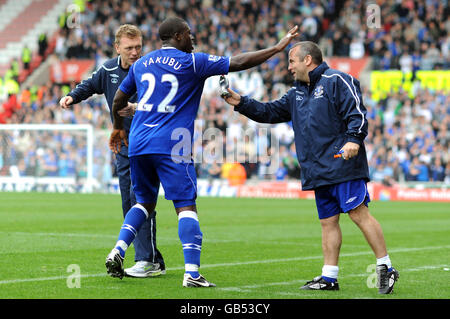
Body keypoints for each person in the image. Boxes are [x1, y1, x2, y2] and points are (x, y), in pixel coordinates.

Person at [106, 16, 299, 287]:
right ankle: (192, 273)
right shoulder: (193, 62)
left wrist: (117, 127)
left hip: (139, 141)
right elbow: (239, 62)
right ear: (179, 35)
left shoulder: (142, 63)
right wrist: (277, 48)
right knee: (185, 206)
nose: (193, 38)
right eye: (189, 34)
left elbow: (118, 99)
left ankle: (118, 250)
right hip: (174, 143)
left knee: (143, 203)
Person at [221, 41, 399, 294]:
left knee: (358, 214)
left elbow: (357, 113)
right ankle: (329, 277)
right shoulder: (296, 93)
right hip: (317, 169)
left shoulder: (337, 79)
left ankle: (386, 267)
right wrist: (241, 102)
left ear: (307, 60)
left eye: (292, 61)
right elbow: (269, 112)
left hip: (342, 162)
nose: (289, 66)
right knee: (328, 222)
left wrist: (353, 139)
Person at [59, 24, 165, 278]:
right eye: (129, 48)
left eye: (138, 46)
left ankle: (146, 261)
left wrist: (137, 107)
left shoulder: (150, 69)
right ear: (118, 48)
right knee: (129, 202)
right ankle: (152, 259)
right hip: (123, 147)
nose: (135, 52)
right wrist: (72, 97)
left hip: (148, 144)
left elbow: (163, 103)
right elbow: (89, 85)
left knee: (139, 200)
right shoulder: (108, 69)